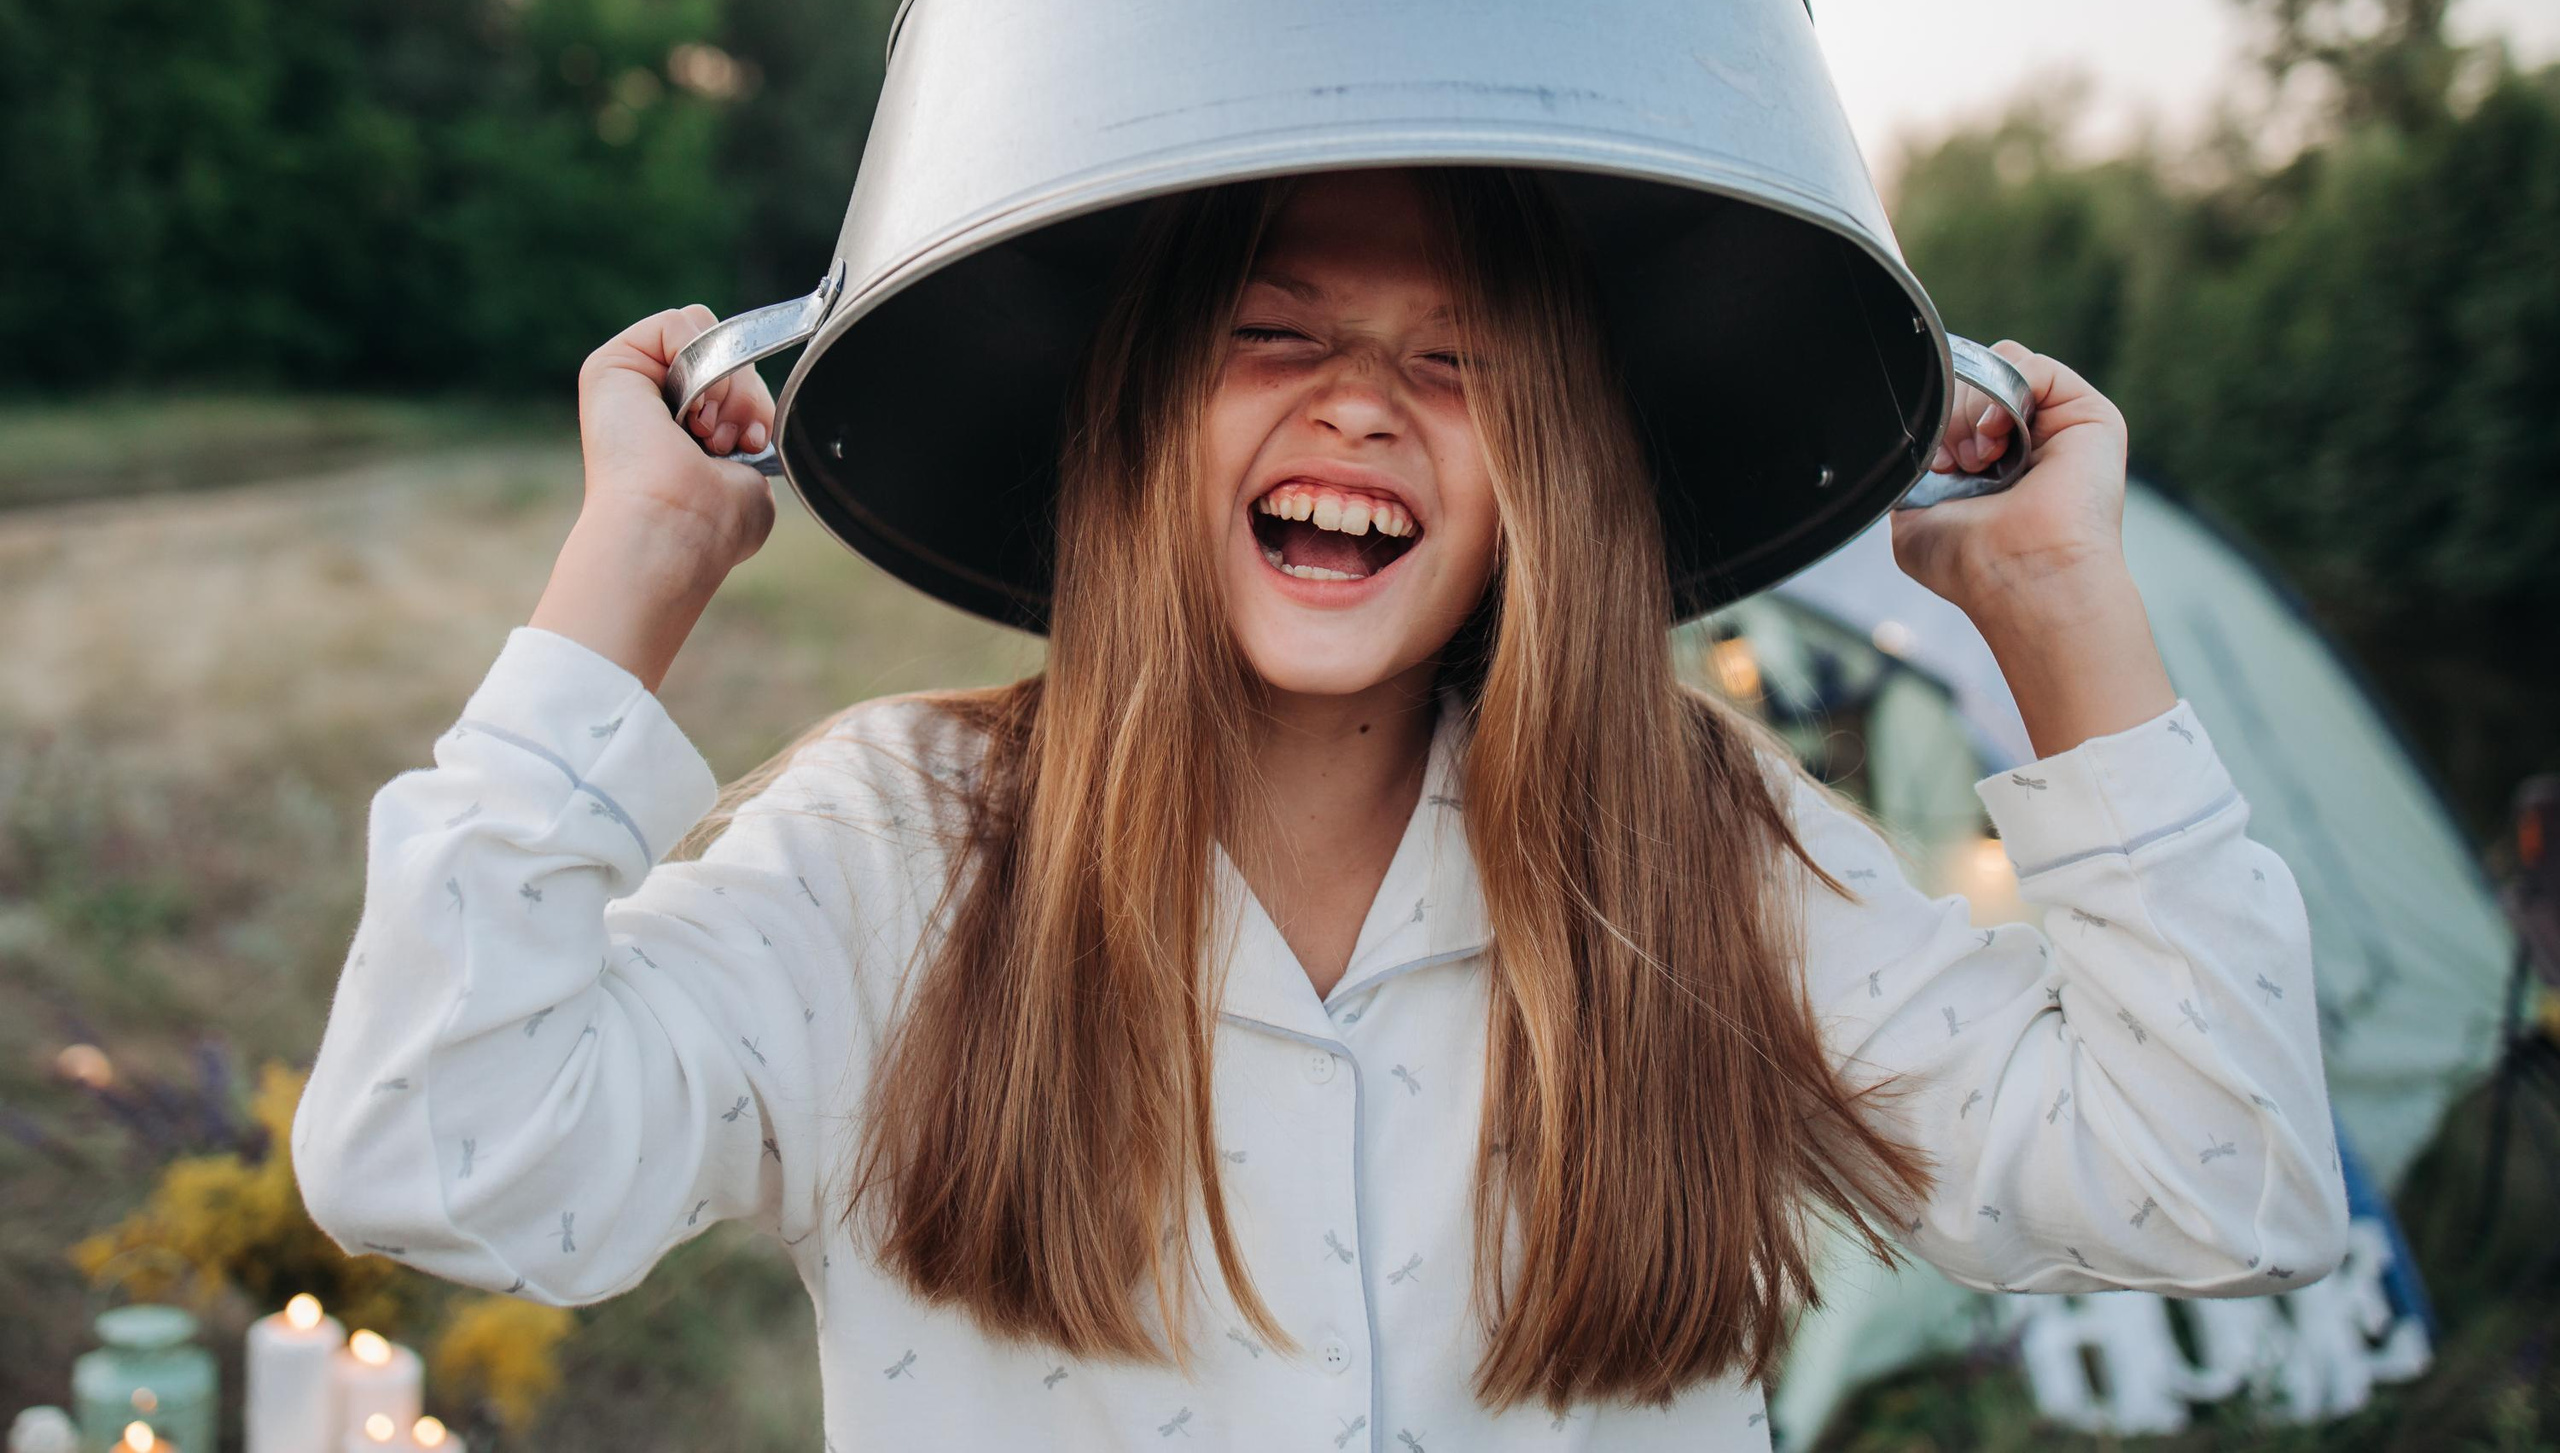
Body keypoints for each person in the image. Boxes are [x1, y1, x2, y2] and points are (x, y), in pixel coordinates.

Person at [292, 165, 2350, 1451]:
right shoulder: (889, 852)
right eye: (1271, 332)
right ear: (1133, 422)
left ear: (1540, 466)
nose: (1357, 401)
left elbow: (2215, 1182)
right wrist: (627, 574)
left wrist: (2057, 603)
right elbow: (430, 1147)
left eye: (1452, 363)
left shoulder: (1700, 844)